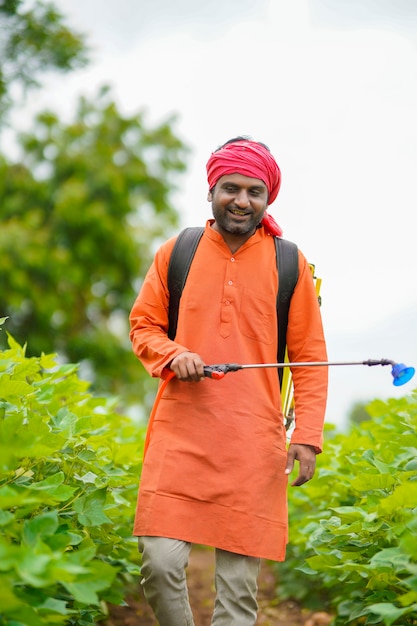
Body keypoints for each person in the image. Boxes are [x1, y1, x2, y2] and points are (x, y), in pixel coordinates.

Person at [129, 136, 328, 626]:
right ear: (212, 191)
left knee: (238, 597)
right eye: (231, 188)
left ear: (268, 198)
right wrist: (175, 354)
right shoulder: (178, 251)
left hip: (252, 446)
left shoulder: (290, 263)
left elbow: (309, 358)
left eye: (254, 191)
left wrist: (306, 437)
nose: (242, 200)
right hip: (181, 437)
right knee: (158, 563)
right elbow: (143, 326)